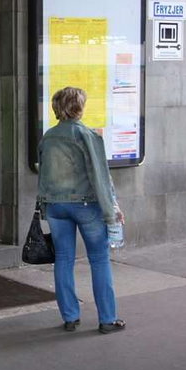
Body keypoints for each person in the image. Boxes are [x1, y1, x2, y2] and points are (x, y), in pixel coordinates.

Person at [37, 86, 126, 334]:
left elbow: (43, 174)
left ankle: (70, 317)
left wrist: (45, 205)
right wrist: (111, 211)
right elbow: (100, 177)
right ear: (79, 107)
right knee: (99, 260)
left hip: (56, 206)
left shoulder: (48, 136)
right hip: (86, 205)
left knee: (63, 260)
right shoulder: (87, 134)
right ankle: (107, 319)